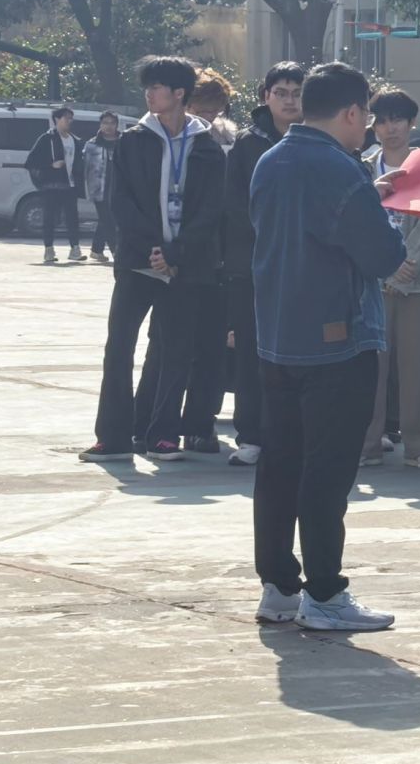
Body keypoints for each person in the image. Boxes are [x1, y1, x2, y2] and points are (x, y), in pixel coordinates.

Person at [249, 62, 407, 633]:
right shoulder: (339, 168)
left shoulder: (271, 159)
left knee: (280, 464)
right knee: (327, 470)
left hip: (277, 337)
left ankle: (279, 586)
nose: (367, 127)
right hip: (337, 341)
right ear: (351, 112)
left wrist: (366, 197)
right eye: (365, 116)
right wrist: (386, 212)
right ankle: (325, 593)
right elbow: (382, 256)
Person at [81, 56, 224, 463]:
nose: (149, 93)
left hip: (184, 264)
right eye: (147, 87)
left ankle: (162, 435)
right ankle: (113, 436)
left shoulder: (207, 147)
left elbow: (211, 209)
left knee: (176, 350)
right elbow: (121, 203)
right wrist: (153, 249)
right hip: (138, 262)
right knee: (119, 346)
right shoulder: (133, 141)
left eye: (157, 86)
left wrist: (176, 253)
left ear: (179, 93)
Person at [359, 88, 420, 471]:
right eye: (381, 120)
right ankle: (367, 443)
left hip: (418, 280)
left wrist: (405, 265)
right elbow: (357, 221)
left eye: (397, 119)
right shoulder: (362, 167)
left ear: (412, 123)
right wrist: (386, 266)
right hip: (372, 281)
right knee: (370, 367)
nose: (389, 128)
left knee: (418, 365)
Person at [224, 63, 304, 466]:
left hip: (303, 266)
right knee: (252, 353)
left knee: (298, 352)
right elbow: (234, 205)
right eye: (281, 93)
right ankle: (251, 435)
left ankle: (292, 433)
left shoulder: (316, 140)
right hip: (254, 264)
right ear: (265, 97)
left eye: (296, 93)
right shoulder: (247, 144)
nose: (289, 100)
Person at [26, 105, 85, 263]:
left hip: (70, 185)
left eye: (71, 118)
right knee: (50, 218)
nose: (69, 121)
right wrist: (50, 165)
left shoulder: (75, 140)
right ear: (57, 119)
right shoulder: (47, 139)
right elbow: (31, 161)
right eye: (66, 118)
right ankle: (49, 250)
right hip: (52, 186)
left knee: (73, 218)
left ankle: (75, 249)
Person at [81, 111, 120, 264]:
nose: (108, 126)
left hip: (120, 187)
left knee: (111, 218)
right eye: (105, 123)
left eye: (112, 123)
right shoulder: (92, 144)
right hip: (99, 188)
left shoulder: (124, 141)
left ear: (116, 125)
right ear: (100, 125)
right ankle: (116, 251)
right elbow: (84, 168)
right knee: (108, 219)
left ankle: (97, 250)